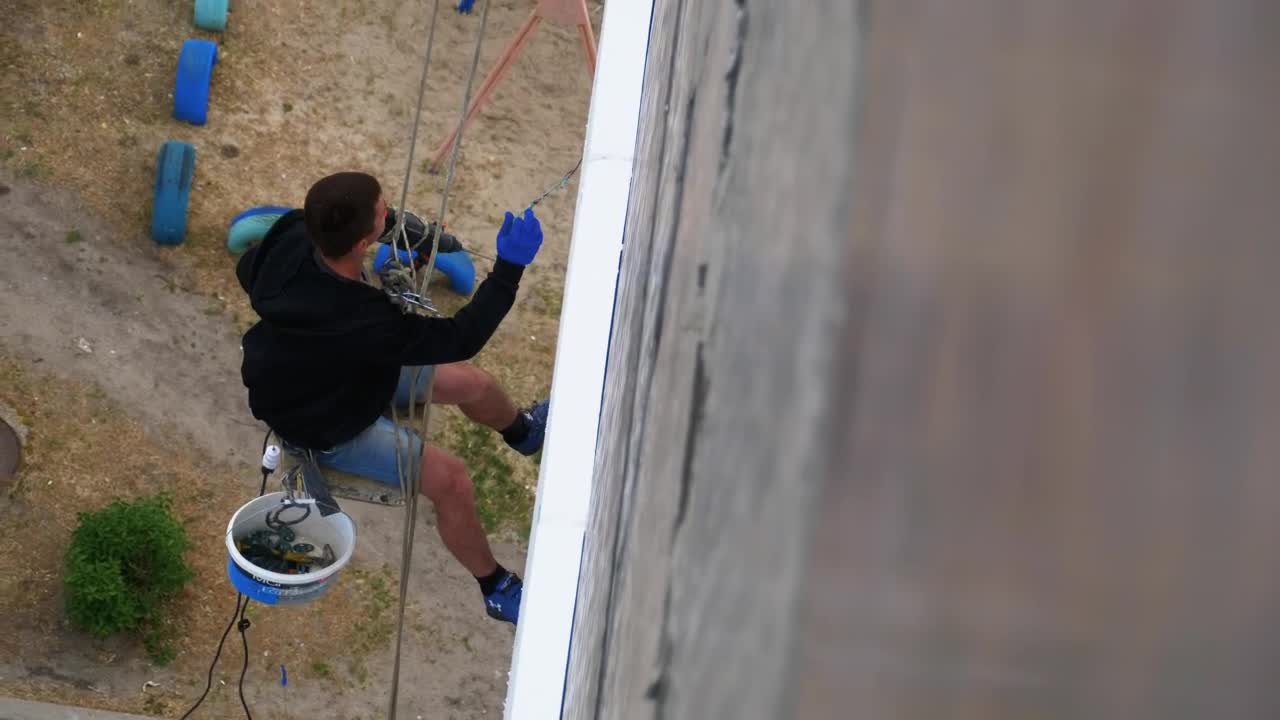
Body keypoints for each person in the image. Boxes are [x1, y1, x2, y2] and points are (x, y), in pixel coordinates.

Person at [236, 171, 549, 625]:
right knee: (452, 481)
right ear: (366, 239)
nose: (390, 211)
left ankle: (524, 434)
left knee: (474, 385)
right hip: (325, 421)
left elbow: (251, 269)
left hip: (339, 367)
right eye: (385, 210)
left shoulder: (293, 233)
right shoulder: (362, 320)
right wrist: (509, 268)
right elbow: (460, 336)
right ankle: (494, 586)